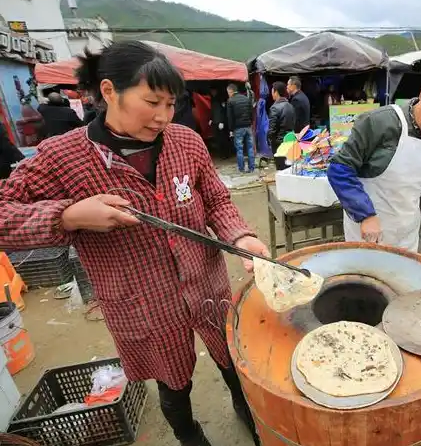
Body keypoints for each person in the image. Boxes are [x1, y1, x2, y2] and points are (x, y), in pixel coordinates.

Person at [0, 41, 269, 446]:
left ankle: (245, 409)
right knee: (173, 382)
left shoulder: (186, 142)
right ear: (109, 91)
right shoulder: (61, 156)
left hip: (205, 285)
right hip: (141, 304)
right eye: (151, 102)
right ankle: (189, 435)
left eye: (170, 104)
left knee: (232, 359)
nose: (162, 116)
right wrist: (69, 215)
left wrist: (241, 236)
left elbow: (215, 199)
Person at [328, 70, 421, 252]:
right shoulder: (379, 124)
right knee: (367, 278)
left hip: (407, 233)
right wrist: (364, 214)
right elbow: (340, 168)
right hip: (368, 231)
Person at [226, 83, 255, 173]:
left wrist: (231, 130)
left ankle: (241, 169)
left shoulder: (230, 101)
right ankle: (251, 168)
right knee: (250, 147)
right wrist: (250, 122)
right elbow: (251, 113)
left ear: (230, 91)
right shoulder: (246, 99)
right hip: (248, 127)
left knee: (239, 149)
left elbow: (230, 117)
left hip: (238, 128)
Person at [268, 81, 295, 155]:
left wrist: (270, 139)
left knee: (280, 163)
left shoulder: (274, 107)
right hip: (289, 140)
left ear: (276, 92)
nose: (272, 94)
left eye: (272, 91)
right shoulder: (290, 106)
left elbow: (272, 129)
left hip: (278, 142)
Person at [209, 88, 231, 159]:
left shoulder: (221, 99)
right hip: (216, 122)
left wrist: (222, 121)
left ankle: (226, 154)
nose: (212, 92)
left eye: (213, 91)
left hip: (221, 122)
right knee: (218, 139)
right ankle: (222, 154)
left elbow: (224, 111)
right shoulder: (213, 99)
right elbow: (213, 111)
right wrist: (211, 119)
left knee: (223, 139)